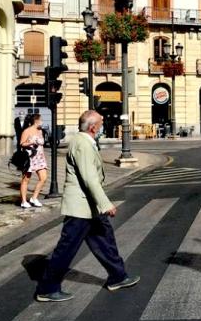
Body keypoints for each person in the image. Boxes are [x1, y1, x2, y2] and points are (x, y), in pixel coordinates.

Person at [35, 110, 140, 302]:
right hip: (81, 207)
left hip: (90, 207)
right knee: (66, 248)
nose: (102, 125)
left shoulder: (85, 142)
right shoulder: (83, 144)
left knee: (105, 241)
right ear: (93, 127)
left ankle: (118, 276)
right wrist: (106, 204)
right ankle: (48, 288)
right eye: (101, 122)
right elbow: (89, 178)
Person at [19, 114, 48, 209]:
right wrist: (32, 142)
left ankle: (34, 198)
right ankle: (23, 201)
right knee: (26, 180)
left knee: (43, 178)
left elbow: (42, 144)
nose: (42, 121)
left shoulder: (40, 131)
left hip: (39, 158)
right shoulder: (27, 131)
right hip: (30, 158)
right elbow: (22, 144)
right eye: (41, 120)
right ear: (36, 121)